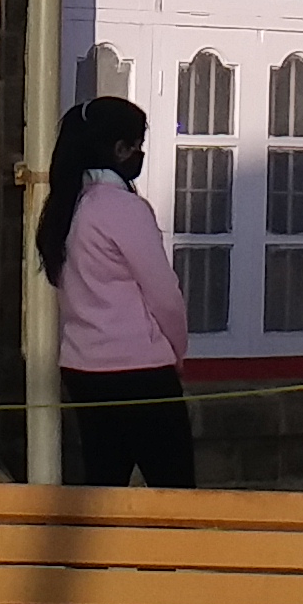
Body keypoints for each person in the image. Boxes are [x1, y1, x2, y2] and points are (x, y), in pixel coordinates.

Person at [38, 96, 191, 489]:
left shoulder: (64, 207)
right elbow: (165, 295)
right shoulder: (122, 207)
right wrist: (176, 351)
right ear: (120, 150)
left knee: (103, 488)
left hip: (82, 367)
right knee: (175, 492)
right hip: (141, 370)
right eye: (136, 145)